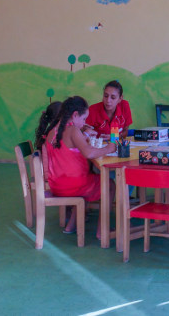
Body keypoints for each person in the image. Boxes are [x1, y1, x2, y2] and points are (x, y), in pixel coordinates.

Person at [44, 96, 117, 237]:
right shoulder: (72, 130)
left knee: (91, 178)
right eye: (83, 119)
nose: (84, 123)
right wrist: (109, 148)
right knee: (110, 184)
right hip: (73, 185)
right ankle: (103, 230)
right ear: (75, 115)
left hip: (56, 184)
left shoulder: (52, 131)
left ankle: (71, 225)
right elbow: (89, 153)